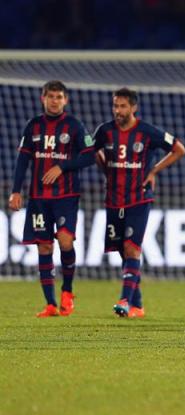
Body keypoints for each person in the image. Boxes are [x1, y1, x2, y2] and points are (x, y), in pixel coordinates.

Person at [94, 88, 185, 318]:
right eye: (115, 106)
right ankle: (138, 305)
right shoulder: (104, 131)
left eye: (123, 106)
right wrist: (105, 167)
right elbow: (92, 151)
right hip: (114, 199)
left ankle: (124, 301)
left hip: (139, 198)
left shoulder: (147, 132)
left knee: (131, 247)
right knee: (122, 251)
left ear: (133, 107)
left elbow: (179, 149)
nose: (118, 110)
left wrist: (154, 170)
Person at [8, 80, 95, 317]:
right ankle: (50, 304)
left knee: (65, 241)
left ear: (65, 100)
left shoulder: (74, 126)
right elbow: (23, 161)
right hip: (38, 198)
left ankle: (67, 291)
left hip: (66, 195)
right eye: (51, 96)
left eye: (59, 97)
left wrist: (62, 167)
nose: (54, 101)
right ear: (42, 98)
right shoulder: (33, 126)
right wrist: (16, 191)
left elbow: (90, 156)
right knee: (44, 246)